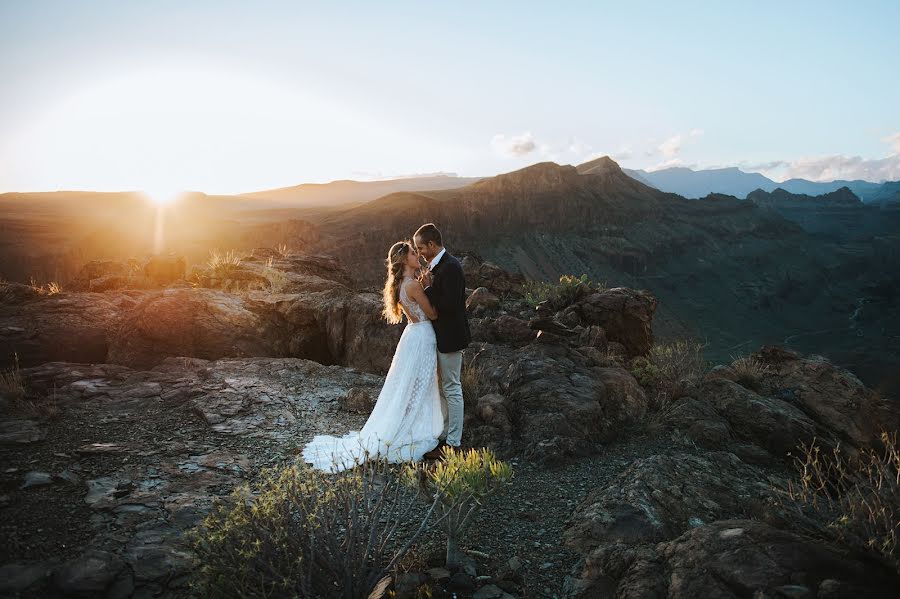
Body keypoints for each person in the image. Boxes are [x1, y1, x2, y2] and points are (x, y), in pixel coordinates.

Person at [302, 240, 444, 472]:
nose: (417, 255)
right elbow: (433, 314)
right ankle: (412, 430)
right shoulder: (414, 286)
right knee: (421, 385)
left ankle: (405, 426)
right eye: (412, 252)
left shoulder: (401, 285)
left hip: (412, 335)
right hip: (423, 336)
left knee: (408, 386)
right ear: (404, 259)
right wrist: (430, 287)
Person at [413, 223, 471, 460]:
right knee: (443, 389)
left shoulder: (451, 268)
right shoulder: (438, 266)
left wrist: (427, 288)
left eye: (420, 248)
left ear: (432, 244)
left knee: (452, 388)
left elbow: (450, 305)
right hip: (441, 337)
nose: (419, 253)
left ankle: (454, 443)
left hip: (451, 337)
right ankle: (445, 434)